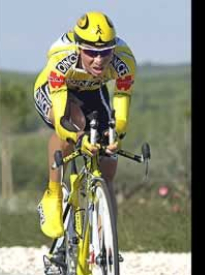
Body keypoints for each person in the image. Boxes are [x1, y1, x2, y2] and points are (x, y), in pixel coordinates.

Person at [33, 11, 136, 239]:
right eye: (91, 53)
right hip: (56, 93)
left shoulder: (124, 60)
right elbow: (61, 120)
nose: (99, 60)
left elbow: (121, 106)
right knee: (75, 121)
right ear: (80, 48)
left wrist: (115, 133)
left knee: (108, 162)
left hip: (92, 91)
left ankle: (106, 243)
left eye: (105, 53)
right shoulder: (62, 59)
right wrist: (79, 137)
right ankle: (53, 193)